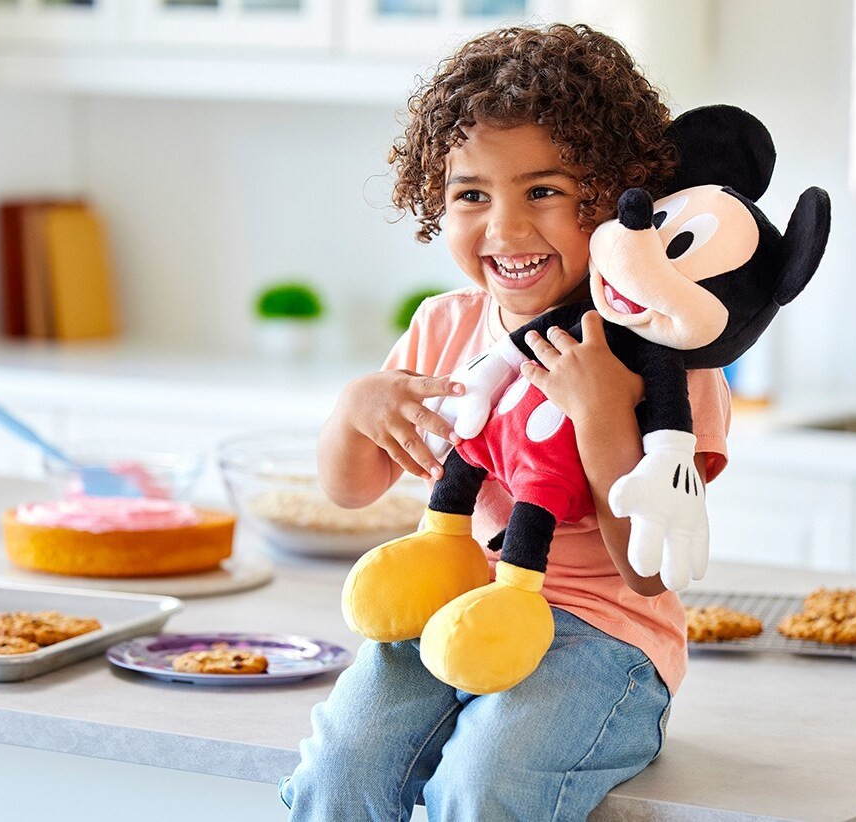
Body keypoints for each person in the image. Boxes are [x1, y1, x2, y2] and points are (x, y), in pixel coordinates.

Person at [279, 23, 732, 821]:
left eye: (546, 191)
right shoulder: (444, 326)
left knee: (483, 785)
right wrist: (356, 407)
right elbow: (349, 489)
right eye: (471, 195)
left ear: (619, 195)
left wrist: (597, 415)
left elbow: (647, 572)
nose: (506, 229)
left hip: (602, 639)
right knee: (339, 767)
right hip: (451, 612)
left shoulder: (670, 362)